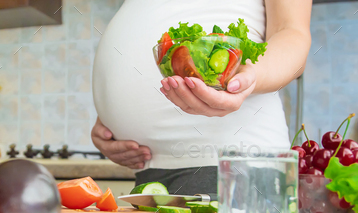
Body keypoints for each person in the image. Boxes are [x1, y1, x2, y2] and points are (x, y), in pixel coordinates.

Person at [91, 0, 311, 196]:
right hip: (151, 171)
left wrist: (248, 77)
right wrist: (111, 118)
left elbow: (291, 31)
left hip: (227, 167)